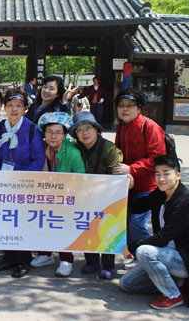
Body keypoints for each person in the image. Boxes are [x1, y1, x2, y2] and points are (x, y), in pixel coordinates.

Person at [120, 155, 189, 310]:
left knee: (144, 252)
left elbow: (162, 238)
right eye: (157, 174)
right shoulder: (161, 193)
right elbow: (138, 207)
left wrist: (131, 247)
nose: (161, 178)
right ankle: (176, 282)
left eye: (166, 173)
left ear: (178, 175)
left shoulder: (185, 201)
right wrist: (131, 189)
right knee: (127, 284)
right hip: (164, 254)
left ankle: (173, 295)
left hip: (184, 260)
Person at [0, 88, 44, 278]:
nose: (14, 109)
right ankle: (8, 257)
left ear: (24, 109)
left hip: (24, 184)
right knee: (5, 220)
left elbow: (38, 160)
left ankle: (23, 261)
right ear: (5, 107)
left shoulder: (31, 129)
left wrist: (21, 179)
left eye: (19, 106)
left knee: (21, 222)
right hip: (3, 183)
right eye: (10, 105)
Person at [69, 111, 123, 279]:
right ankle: (91, 261)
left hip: (108, 195)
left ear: (96, 129)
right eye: (79, 130)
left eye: (88, 128)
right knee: (87, 226)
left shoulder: (109, 149)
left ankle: (108, 264)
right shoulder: (75, 147)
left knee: (107, 229)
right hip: (84, 195)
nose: (84, 133)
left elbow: (117, 175)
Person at [31, 112, 85, 277]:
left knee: (62, 225)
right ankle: (45, 254)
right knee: (41, 222)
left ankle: (66, 259)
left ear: (64, 134)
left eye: (58, 132)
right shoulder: (40, 147)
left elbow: (81, 177)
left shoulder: (73, 153)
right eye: (49, 132)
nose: (53, 136)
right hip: (43, 194)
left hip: (66, 197)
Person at [112, 89, 166, 255]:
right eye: (121, 105)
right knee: (126, 223)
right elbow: (118, 152)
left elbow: (158, 158)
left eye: (129, 105)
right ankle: (136, 256)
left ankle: (152, 256)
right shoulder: (122, 126)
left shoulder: (150, 127)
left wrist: (131, 168)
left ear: (139, 108)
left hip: (148, 186)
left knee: (136, 224)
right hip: (128, 185)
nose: (124, 109)